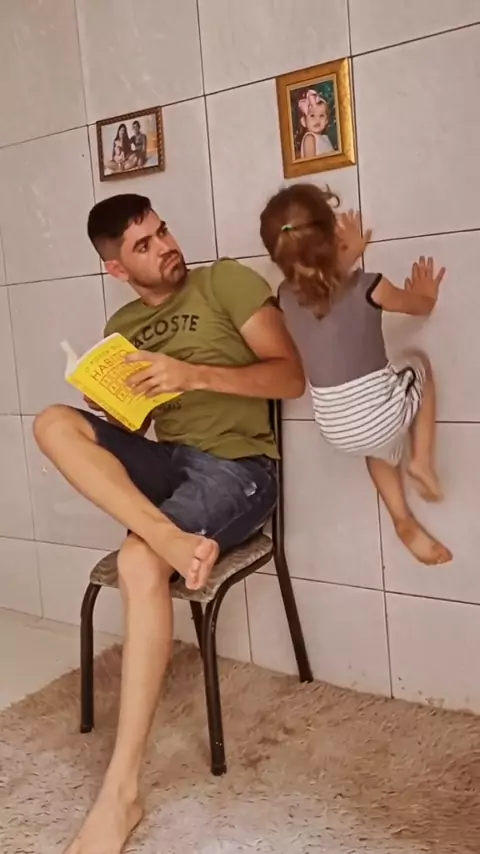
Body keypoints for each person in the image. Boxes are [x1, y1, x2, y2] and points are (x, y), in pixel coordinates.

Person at [33, 193, 305, 854]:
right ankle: (169, 539)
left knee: (136, 562)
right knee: (54, 422)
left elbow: (291, 378)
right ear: (117, 269)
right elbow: (142, 424)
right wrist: (113, 406)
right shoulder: (124, 324)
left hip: (237, 469)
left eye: (162, 232)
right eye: (144, 246)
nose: (165, 248)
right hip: (171, 464)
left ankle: (121, 794)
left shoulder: (225, 282)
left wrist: (191, 373)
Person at [260, 183, 452, 567]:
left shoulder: (283, 298)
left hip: (336, 429)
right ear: (332, 236)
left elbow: (320, 292)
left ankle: (402, 520)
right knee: (419, 365)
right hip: (379, 416)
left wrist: (347, 253)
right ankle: (421, 460)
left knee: (376, 448)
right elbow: (417, 307)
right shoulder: (370, 287)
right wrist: (426, 294)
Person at [298, 89, 335, 159]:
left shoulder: (325, 138)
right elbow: (310, 162)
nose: (317, 119)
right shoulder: (310, 138)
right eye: (312, 116)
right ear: (304, 121)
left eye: (321, 115)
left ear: (326, 120)